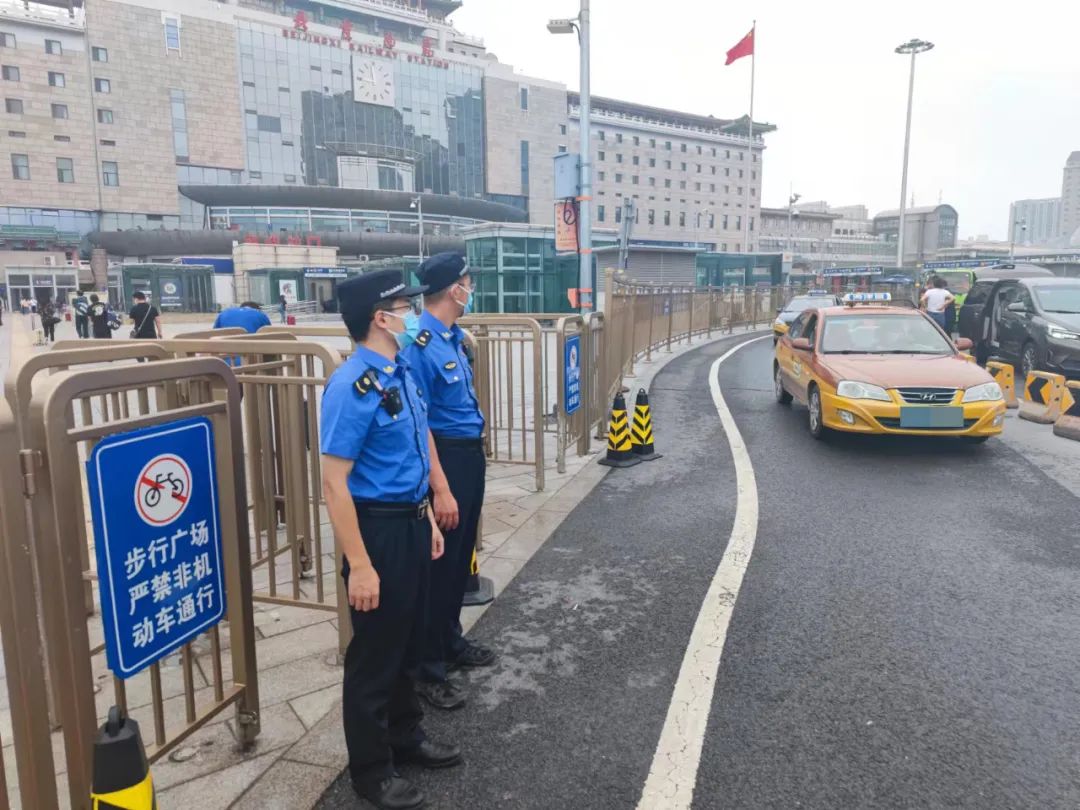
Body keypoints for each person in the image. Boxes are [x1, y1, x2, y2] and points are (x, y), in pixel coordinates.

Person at [321, 269, 460, 810]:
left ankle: (406, 736)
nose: (412, 315)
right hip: (377, 532)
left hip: (410, 521)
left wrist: (427, 517)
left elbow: (415, 448)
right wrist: (360, 564)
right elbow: (334, 483)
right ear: (381, 318)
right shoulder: (351, 385)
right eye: (404, 307)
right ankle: (372, 771)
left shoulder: (398, 371)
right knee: (375, 657)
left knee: (406, 641)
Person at [401, 252, 495, 711]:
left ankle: (451, 641)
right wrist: (439, 487)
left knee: (459, 560)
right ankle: (427, 669)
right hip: (445, 460)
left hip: (468, 455)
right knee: (438, 569)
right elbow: (420, 423)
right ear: (453, 290)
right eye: (467, 283)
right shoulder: (418, 345)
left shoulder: (453, 338)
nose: (470, 289)